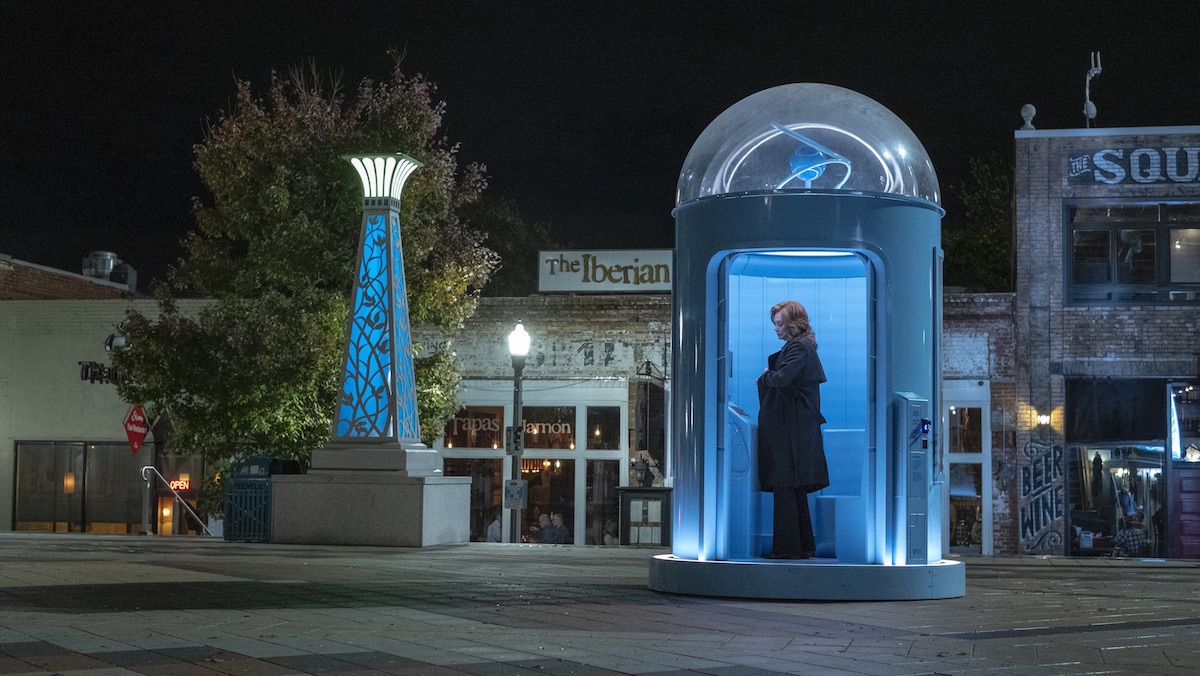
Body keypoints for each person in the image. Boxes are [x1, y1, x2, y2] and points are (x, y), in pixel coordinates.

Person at [757, 300, 829, 560]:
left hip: (790, 431)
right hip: (796, 429)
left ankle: (787, 549)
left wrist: (765, 375)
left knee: (784, 486)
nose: (775, 329)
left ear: (791, 323)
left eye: (779, 323)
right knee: (793, 489)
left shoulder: (798, 347)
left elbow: (781, 379)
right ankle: (800, 546)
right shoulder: (803, 346)